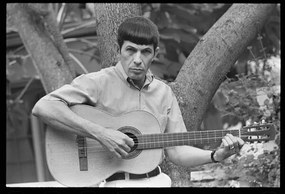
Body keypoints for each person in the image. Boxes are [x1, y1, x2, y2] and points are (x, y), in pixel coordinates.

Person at [32, 16, 244, 187]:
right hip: (115, 183)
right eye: (130, 50)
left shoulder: (164, 93)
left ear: (155, 54)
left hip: (158, 181)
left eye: (145, 52)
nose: (137, 59)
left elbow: (178, 152)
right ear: (119, 50)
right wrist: (101, 133)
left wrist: (216, 155)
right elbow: (43, 107)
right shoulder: (97, 83)